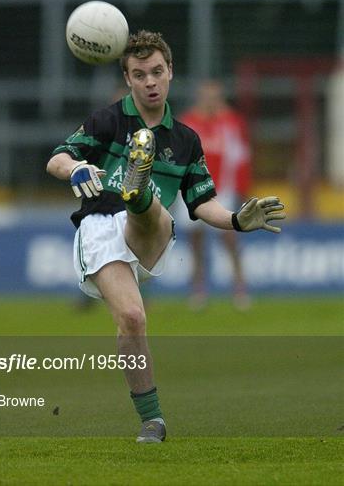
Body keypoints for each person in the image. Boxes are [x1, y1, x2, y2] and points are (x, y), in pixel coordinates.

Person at [46, 30, 285, 443]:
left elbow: (202, 202)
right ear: (129, 79)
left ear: (170, 72)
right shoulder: (107, 120)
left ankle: (138, 191)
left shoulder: (186, 140)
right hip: (100, 228)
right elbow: (57, 158)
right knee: (133, 319)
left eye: (157, 72)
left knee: (148, 207)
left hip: (148, 228)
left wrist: (237, 220)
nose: (151, 81)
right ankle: (152, 420)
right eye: (140, 75)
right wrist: (76, 169)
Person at [175, 79, 252, 309]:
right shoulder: (187, 123)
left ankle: (239, 286)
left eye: (214, 97)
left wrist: (242, 189)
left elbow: (241, 158)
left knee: (229, 238)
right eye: (206, 97)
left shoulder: (231, 122)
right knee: (195, 241)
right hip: (191, 190)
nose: (210, 102)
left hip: (222, 190)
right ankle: (198, 289)